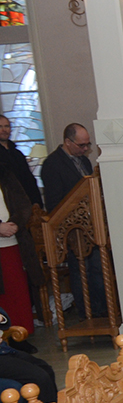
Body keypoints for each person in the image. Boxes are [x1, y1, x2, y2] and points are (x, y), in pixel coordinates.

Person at [40, 123, 107, 318]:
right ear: (67, 142)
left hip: (91, 226)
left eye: (88, 145)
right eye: (81, 145)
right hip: (73, 229)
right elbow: (55, 203)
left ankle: (103, 310)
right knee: (81, 271)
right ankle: (88, 313)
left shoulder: (84, 161)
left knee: (98, 269)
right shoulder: (52, 164)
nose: (85, 149)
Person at [0, 159, 42, 332]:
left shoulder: (5, 173)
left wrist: (15, 223)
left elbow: (24, 203)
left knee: (17, 291)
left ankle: (20, 334)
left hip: (13, 242)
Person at [0, 115, 42, 208]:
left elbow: (29, 179)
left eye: (6, 126)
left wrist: (36, 201)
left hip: (26, 202)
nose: (4, 130)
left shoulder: (17, 154)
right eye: (0, 127)